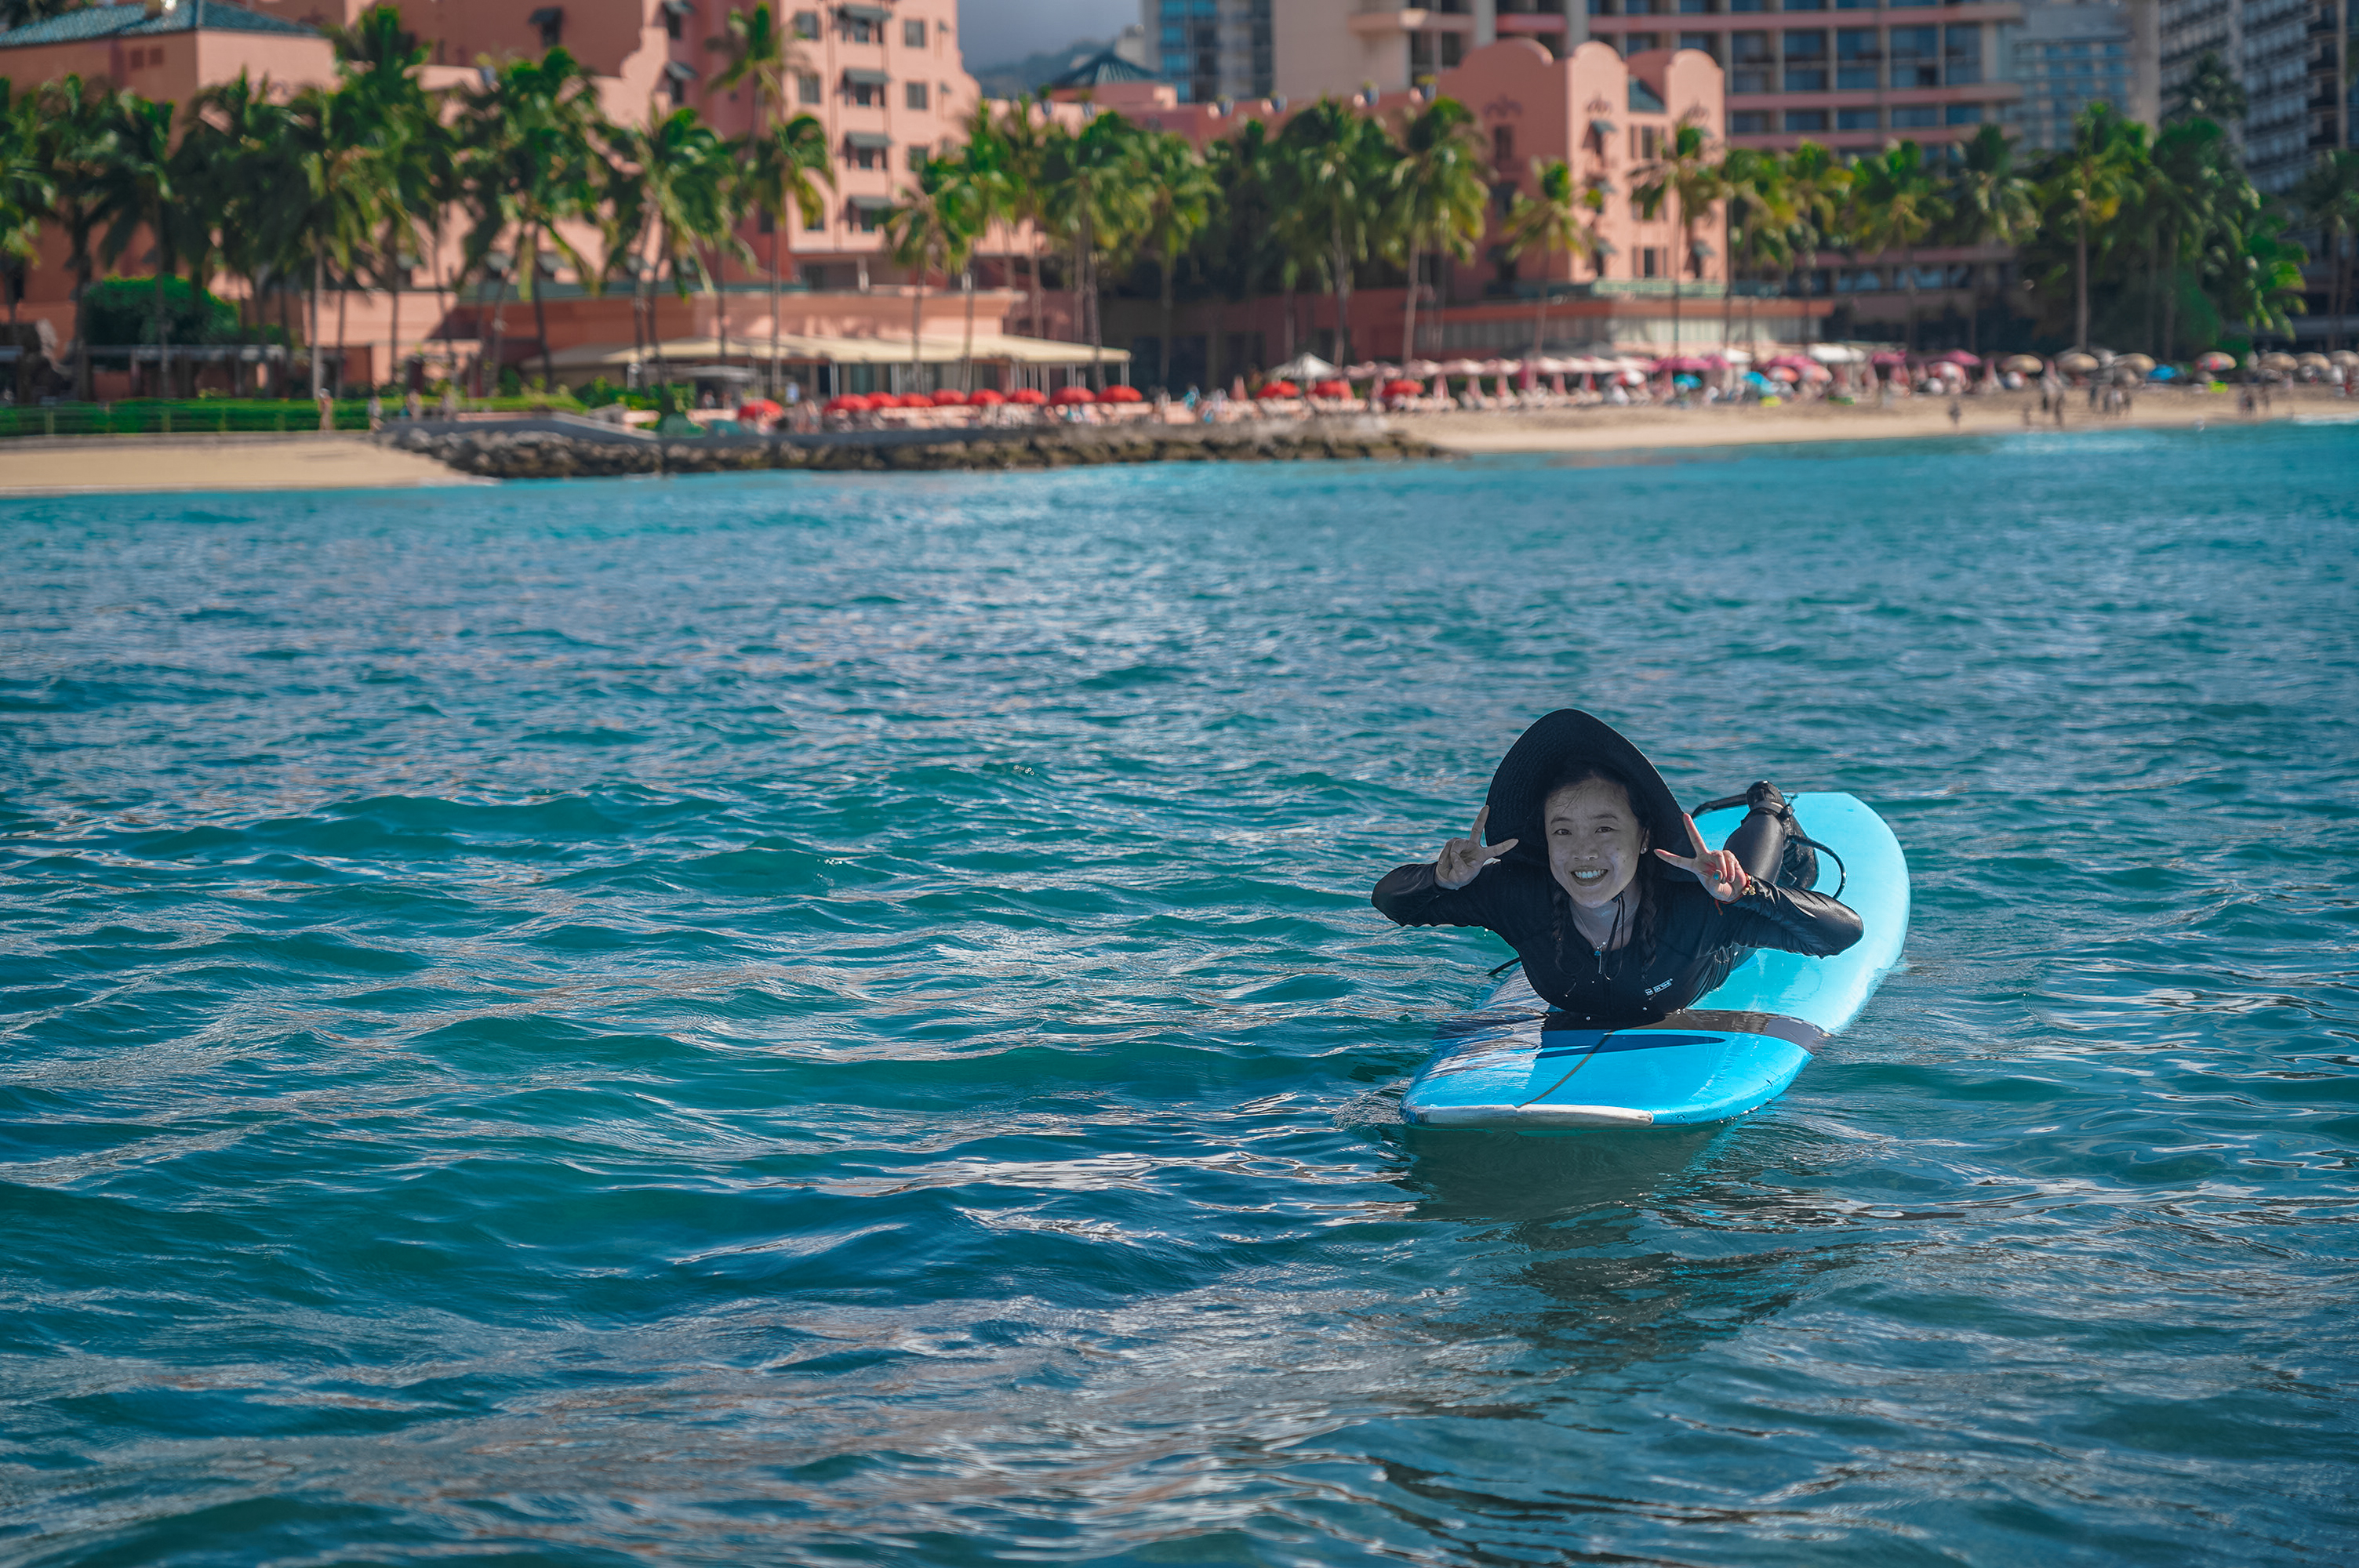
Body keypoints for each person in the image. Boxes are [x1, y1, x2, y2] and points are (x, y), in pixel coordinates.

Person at [1372, 710, 1861, 1028]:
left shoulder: (1697, 908)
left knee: (1745, 873)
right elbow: (1391, 901)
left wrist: (1748, 893)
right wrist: (1441, 879)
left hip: (1716, 953)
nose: (1583, 851)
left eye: (1604, 829)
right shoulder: (1517, 894)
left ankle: (1769, 808)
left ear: (1644, 836)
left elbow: (1841, 934)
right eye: (1563, 831)